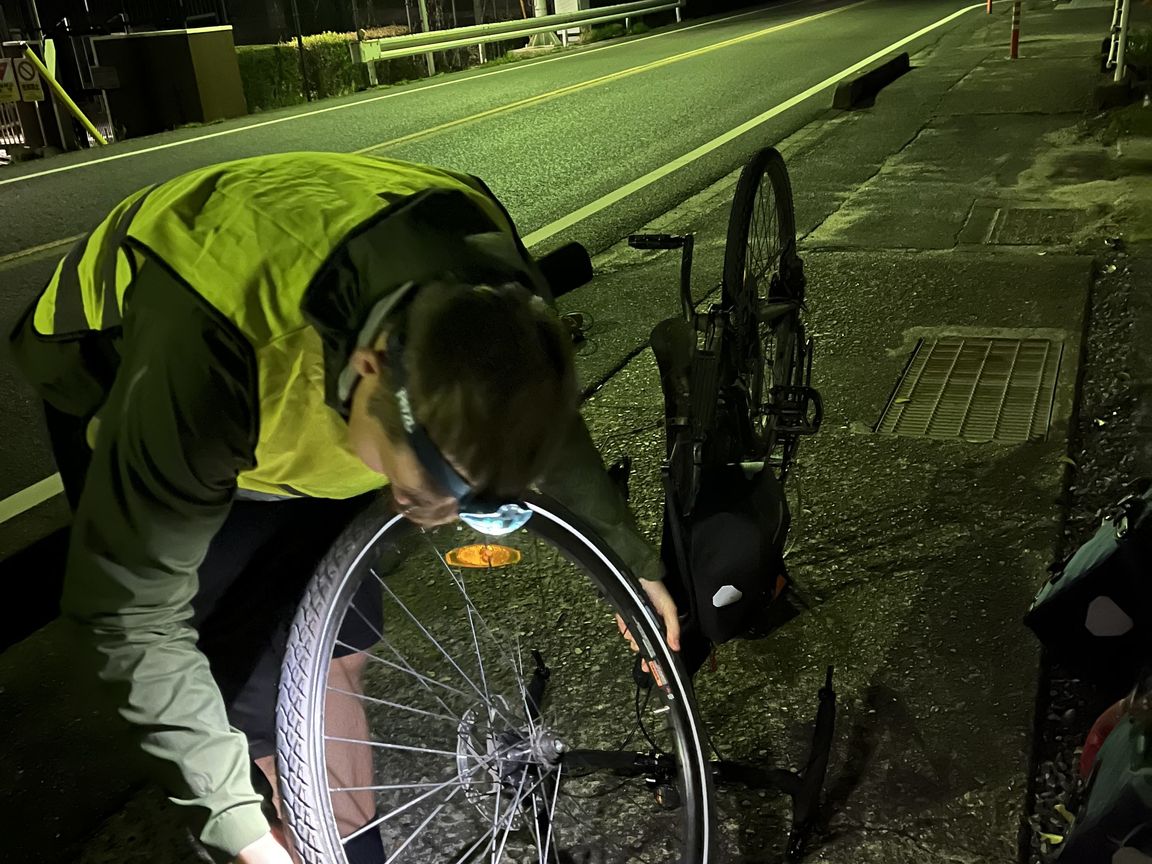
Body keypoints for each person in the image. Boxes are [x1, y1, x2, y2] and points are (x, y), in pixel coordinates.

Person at [9, 153, 680, 864]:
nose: (426, 518)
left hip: (316, 371)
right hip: (133, 363)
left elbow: (527, 411)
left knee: (336, 654)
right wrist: (236, 829)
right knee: (250, 698)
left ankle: (345, 851)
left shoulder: (492, 289)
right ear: (370, 371)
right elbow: (130, 613)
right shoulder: (207, 364)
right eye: (420, 497)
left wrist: (627, 560)